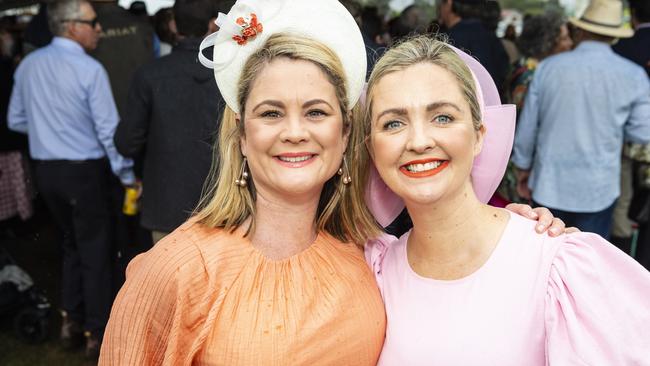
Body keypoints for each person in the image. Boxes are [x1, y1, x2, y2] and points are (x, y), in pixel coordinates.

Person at [99, 0, 564, 364]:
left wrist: (517, 230)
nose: (295, 131)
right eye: (271, 112)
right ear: (241, 135)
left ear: (345, 136)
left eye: (316, 112)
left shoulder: (368, 256)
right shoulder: (177, 272)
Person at [361, 35, 650, 365]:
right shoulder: (378, 270)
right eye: (393, 123)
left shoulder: (557, 265)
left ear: (480, 135)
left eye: (442, 117)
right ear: (372, 148)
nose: (419, 140)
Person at [7, 0, 134, 358]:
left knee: (70, 244)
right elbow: (109, 131)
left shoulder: (29, 65)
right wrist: (126, 175)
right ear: (71, 26)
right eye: (93, 23)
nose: (99, 29)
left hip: (47, 171)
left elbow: (16, 120)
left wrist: (49, 127)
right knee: (95, 249)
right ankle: (96, 332)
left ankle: (71, 320)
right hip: (83, 172)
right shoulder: (88, 69)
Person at [512, 0, 650, 238]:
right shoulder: (633, 75)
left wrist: (522, 167)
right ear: (614, 35)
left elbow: (528, 128)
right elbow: (643, 131)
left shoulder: (547, 68)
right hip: (598, 187)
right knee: (588, 261)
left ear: (581, 29)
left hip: (549, 182)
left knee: (546, 258)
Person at [113, 0, 224, 244]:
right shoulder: (230, 73)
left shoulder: (149, 75)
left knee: (171, 281)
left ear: (173, 25)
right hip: (225, 203)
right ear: (213, 25)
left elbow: (126, 143)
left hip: (167, 206)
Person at [494, 12, 572, 206]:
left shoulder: (526, 68)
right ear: (547, 42)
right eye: (563, 38)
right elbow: (526, 126)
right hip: (520, 166)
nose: (570, 43)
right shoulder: (531, 76)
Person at [610, 0, 650, 267]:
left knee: (622, 206)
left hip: (621, 145)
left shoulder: (620, 50)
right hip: (642, 136)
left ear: (633, 15)